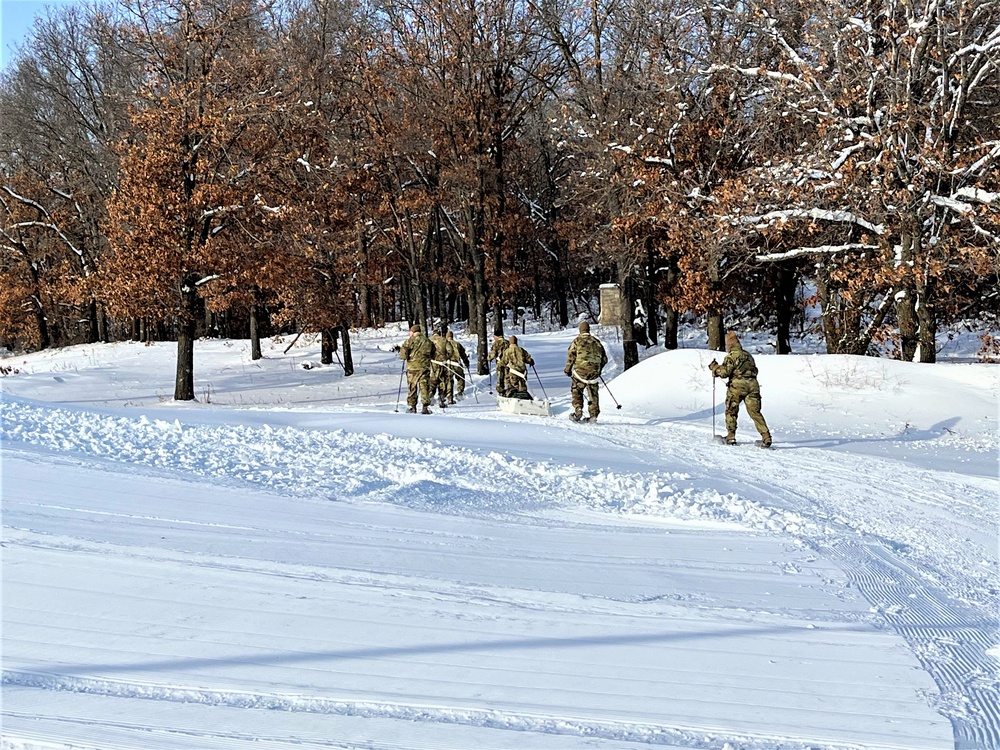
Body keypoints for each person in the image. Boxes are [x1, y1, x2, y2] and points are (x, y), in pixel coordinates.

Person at [709, 331, 772, 447]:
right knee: (755, 412)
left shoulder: (731, 356)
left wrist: (715, 368)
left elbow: (724, 373)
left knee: (731, 411)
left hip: (737, 387)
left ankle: (731, 436)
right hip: (753, 385)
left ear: (729, 345)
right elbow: (755, 370)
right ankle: (766, 436)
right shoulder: (748, 355)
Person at [564, 320, 608, 423]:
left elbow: (571, 356)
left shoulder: (577, 341)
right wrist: (598, 370)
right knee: (593, 394)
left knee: (576, 390)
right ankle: (593, 416)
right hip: (594, 373)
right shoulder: (597, 342)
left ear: (580, 330)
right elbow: (604, 359)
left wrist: (568, 369)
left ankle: (578, 410)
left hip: (580, 372)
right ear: (589, 330)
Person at [398, 324, 434, 414]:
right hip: (424, 368)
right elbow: (433, 354)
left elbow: (403, 355)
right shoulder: (428, 341)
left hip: (412, 369)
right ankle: (425, 407)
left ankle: (412, 407)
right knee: (424, 387)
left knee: (412, 388)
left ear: (413, 332)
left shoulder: (409, 341)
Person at [429, 324, 452, 408]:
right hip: (442, 363)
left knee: (432, 381)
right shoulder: (444, 340)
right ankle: (441, 399)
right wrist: (446, 357)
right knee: (442, 382)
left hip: (432, 364)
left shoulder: (429, 340)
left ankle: (430, 397)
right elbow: (450, 350)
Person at [446, 330, 470, 400]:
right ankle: (460, 392)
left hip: (448, 364)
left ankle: (449, 395)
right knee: (460, 378)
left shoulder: (445, 344)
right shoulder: (457, 344)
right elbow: (463, 355)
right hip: (457, 364)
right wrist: (466, 363)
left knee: (449, 380)